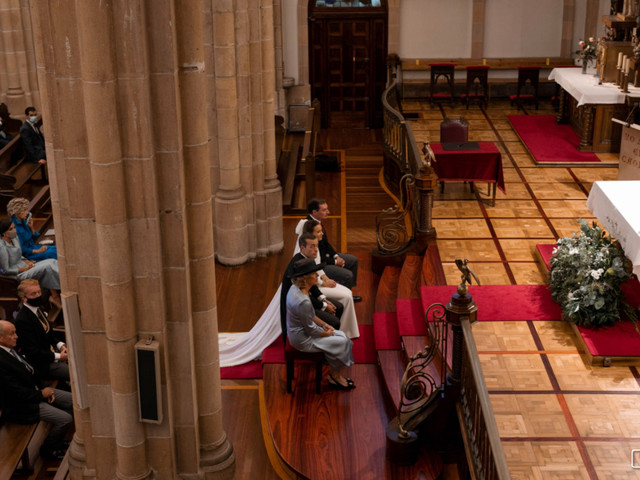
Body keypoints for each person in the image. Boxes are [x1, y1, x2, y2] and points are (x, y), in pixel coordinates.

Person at [0, 320, 73, 460]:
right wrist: (41, 394)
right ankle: (48, 450)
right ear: (0, 338)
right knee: (65, 419)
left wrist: (44, 388)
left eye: (15, 332)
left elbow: (31, 371)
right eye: (12, 334)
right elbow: (16, 393)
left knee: (71, 401)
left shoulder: (10, 349)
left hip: (37, 392)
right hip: (22, 406)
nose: (16, 336)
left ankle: (57, 440)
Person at [286, 258, 355, 390]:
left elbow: (311, 316)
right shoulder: (302, 301)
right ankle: (335, 376)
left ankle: (335, 373)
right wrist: (326, 332)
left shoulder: (296, 289)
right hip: (302, 339)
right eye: (314, 274)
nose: (318, 276)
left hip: (305, 331)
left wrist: (324, 324)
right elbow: (311, 331)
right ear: (305, 278)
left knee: (343, 336)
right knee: (342, 341)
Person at [296, 225, 359, 339]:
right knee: (346, 297)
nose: (316, 249)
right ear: (302, 247)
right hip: (315, 289)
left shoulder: (314, 250)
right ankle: (341, 331)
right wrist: (322, 287)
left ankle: (347, 330)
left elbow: (318, 267)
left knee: (348, 293)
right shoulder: (301, 263)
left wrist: (326, 279)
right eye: (318, 231)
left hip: (318, 284)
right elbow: (307, 290)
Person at [280, 233, 343, 337]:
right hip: (300, 307)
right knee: (335, 322)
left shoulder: (307, 259)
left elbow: (312, 285)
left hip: (308, 300)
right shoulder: (298, 264)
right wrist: (324, 306)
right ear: (302, 247)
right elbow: (303, 295)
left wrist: (324, 299)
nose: (316, 249)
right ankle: (328, 340)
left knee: (339, 306)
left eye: (317, 246)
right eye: (312, 246)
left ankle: (333, 335)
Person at [15, 279, 69, 382]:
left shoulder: (38, 308)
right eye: (33, 294)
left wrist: (61, 345)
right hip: (44, 364)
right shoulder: (22, 320)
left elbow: (49, 334)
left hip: (54, 352)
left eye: (39, 292)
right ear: (24, 298)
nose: (38, 296)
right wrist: (59, 356)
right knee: (76, 373)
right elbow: (33, 352)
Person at [0, 218, 61, 308]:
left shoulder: (14, 239)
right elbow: (6, 270)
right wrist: (24, 268)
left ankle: (58, 293)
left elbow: (19, 255)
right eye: (11, 229)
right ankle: (58, 294)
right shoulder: (2, 247)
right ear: (4, 233)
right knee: (47, 266)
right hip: (18, 275)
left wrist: (27, 261)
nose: (14, 230)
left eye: (14, 228)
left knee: (51, 261)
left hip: (25, 266)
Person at [306, 198, 360, 299]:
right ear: (314, 212)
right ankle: (343, 297)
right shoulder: (309, 227)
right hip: (320, 264)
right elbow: (318, 257)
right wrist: (335, 262)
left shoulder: (318, 222)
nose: (328, 212)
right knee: (347, 275)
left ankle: (348, 292)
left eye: (327, 209)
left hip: (326, 257)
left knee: (353, 260)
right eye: (324, 210)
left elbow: (326, 244)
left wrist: (336, 256)